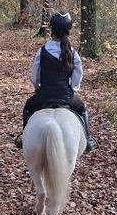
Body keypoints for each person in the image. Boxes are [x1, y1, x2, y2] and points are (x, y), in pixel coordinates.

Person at [14, 11, 97, 151]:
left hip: (44, 96)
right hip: (66, 97)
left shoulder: (42, 51)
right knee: (82, 109)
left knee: (28, 107)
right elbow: (77, 77)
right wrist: (73, 88)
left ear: (52, 29)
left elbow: (35, 76)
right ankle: (88, 139)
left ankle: (24, 137)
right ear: (68, 30)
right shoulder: (73, 53)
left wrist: (38, 87)